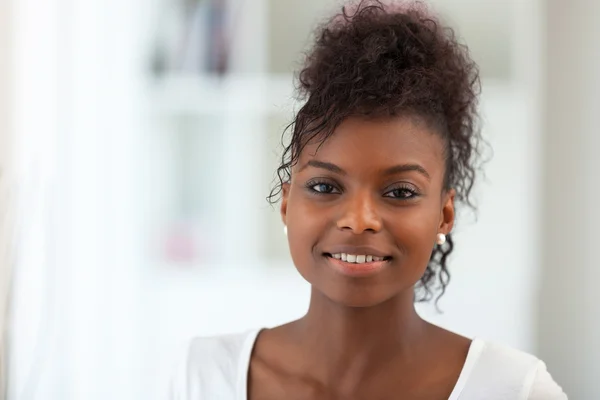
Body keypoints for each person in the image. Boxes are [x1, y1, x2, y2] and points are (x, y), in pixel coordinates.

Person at [169, 1, 567, 398]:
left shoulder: (514, 389)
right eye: (325, 187)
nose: (359, 220)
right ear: (287, 203)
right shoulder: (203, 376)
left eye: (400, 192)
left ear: (444, 215)